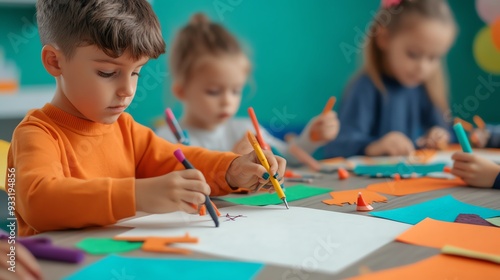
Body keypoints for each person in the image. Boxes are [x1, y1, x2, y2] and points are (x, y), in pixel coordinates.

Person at [8, 0, 286, 236]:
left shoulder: (125, 129)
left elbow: (178, 159)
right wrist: (136, 195)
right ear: (55, 62)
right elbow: (39, 201)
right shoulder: (37, 134)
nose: (127, 90)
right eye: (107, 73)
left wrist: (232, 169)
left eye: (136, 72)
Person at [156, 13, 339, 161]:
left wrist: (311, 137)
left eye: (236, 90)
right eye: (213, 91)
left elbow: (290, 156)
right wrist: (232, 162)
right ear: (181, 91)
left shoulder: (245, 130)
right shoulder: (166, 140)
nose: (228, 101)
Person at [324, 0, 456, 157]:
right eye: (413, 54)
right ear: (384, 39)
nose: (423, 67)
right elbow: (337, 147)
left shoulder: (424, 88)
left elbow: (446, 131)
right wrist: (375, 146)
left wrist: (439, 134)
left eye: (433, 57)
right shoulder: (365, 87)